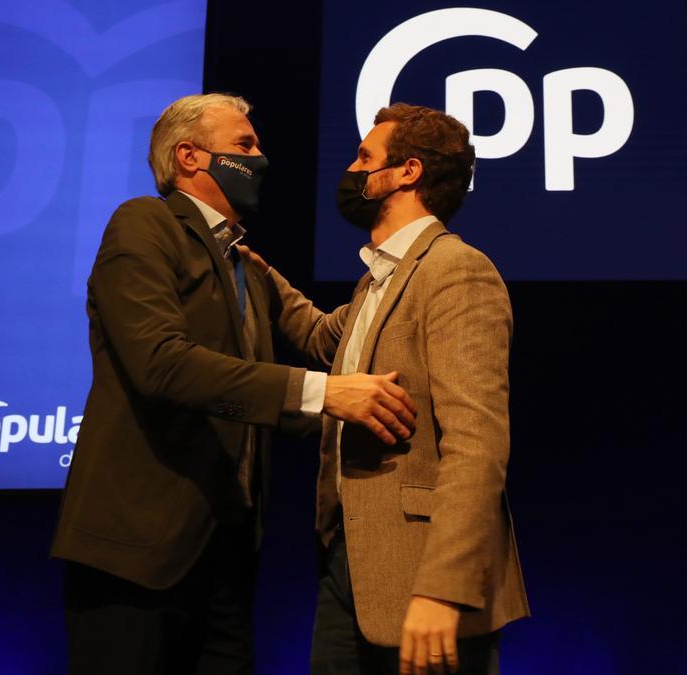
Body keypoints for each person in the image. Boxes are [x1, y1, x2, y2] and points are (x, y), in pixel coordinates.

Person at [50, 93, 418, 675]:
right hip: (137, 553)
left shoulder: (246, 264)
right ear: (190, 157)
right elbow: (161, 364)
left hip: (224, 559)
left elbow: (327, 337)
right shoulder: (145, 223)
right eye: (244, 146)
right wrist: (326, 394)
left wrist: (400, 254)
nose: (261, 157)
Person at [240, 103, 529, 675]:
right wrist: (252, 267)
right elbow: (325, 335)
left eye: (364, 159)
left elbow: (478, 443)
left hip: (423, 576)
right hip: (351, 566)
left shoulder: (455, 270)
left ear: (407, 173)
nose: (352, 170)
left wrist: (444, 589)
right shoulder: (382, 276)